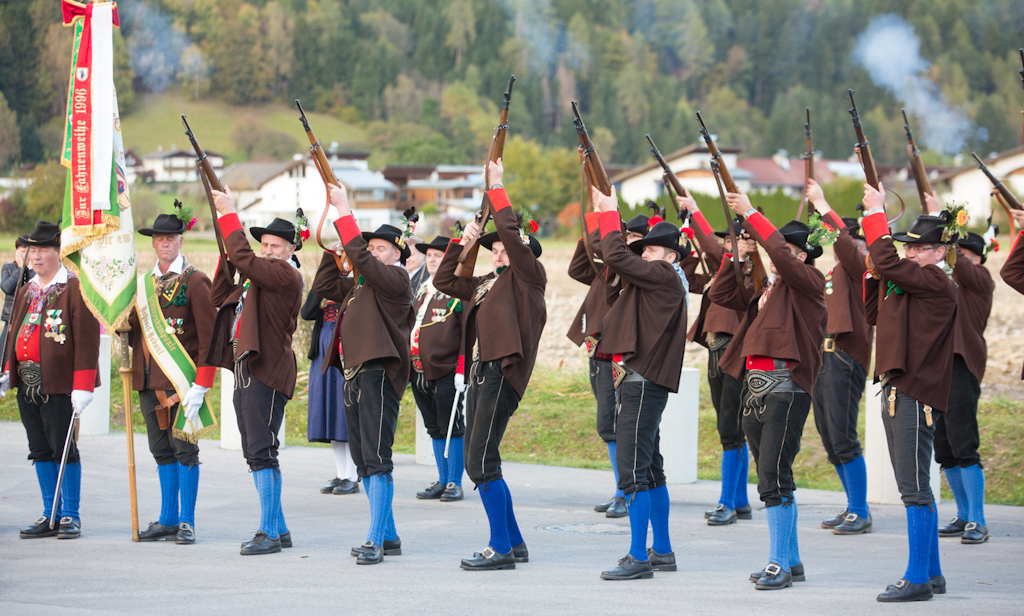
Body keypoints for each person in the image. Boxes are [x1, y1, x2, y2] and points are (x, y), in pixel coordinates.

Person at [708, 192, 828, 591]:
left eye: (789, 250)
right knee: (772, 475)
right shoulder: (767, 289)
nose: (778, 256)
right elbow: (720, 295)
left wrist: (751, 215)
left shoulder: (810, 282)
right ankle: (791, 560)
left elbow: (781, 256)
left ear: (804, 257)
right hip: (756, 387)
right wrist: (738, 255)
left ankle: (778, 562)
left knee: (774, 477)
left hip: (786, 388)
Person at [433, 158, 547, 571]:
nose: (499, 254)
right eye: (494, 250)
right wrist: (462, 242)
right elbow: (444, 281)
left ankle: (500, 547)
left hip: (501, 373)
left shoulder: (528, 278)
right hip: (481, 375)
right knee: (481, 459)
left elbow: (515, 241)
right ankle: (514, 543)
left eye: (504, 250)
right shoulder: (486, 284)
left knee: (479, 462)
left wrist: (497, 188)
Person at [588, 187, 692, 581]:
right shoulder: (656, 279)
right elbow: (608, 258)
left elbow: (617, 256)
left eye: (650, 249)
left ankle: (638, 556)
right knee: (650, 470)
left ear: (670, 256)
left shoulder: (664, 274)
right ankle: (661, 550)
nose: (643, 254)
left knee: (632, 471)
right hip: (640, 380)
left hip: (641, 381)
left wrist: (610, 214)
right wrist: (603, 215)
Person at [860, 183, 957, 602]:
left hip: (915, 391)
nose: (911, 253)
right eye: (909, 248)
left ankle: (917, 578)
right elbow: (873, 313)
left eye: (919, 248)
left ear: (940, 252)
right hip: (899, 388)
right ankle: (931, 573)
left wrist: (875, 215)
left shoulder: (935, 280)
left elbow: (889, 260)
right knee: (915, 485)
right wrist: (873, 272)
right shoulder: (912, 283)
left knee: (914, 487)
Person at [312, 183, 414, 565]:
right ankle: (387, 534)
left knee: (377, 458)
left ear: (397, 254)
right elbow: (323, 287)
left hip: (377, 374)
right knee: (363, 460)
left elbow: (367, 265)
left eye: (380, 248)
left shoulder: (396, 280)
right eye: (369, 247)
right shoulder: (361, 285)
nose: (372, 253)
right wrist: (335, 253)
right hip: (354, 375)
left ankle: (375, 538)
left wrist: (344, 210)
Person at [209, 189, 303, 556]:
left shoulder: (284, 274)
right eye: (264, 244)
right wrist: (227, 253)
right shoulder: (258, 277)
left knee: (262, 451)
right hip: (247, 367)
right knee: (255, 449)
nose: (268, 250)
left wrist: (228, 214)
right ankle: (278, 527)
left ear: (291, 250)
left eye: (275, 245)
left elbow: (246, 260)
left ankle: (269, 532)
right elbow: (220, 296)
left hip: (266, 369)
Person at [1, 221, 100, 540]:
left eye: (43, 250)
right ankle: (50, 512)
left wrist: (83, 384)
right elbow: (15, 331)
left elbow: (87, 341)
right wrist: (7, 368)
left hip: (59, 384)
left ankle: (70, 514)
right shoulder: (26, 290)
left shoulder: (74, 289)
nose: (36, 256)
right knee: (40, 449)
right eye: (32, 250)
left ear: (59, 252)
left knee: (63, 448)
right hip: (28, 383)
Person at [130, 210, 217, 545]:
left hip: (182, 385)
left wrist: (201, 383)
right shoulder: (143, 285)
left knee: (185, 450)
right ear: (153, 243)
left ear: (181, 241)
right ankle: (167, 519)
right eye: (159, 239)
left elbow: (209, 338)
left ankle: (186, 521)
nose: (164, 244)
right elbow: (136, 333)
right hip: (149, 380)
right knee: (160, 450)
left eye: (170, 238)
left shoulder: (196, 281)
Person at [804, 180, 874, 535]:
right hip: (824, 357)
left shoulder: (861, 268)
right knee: (831, 438)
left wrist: (821, 203)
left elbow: (844, 244)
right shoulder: (835, 271)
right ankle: (852, 505)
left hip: (844, 356)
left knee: (844, 436)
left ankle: (860, 510)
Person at [677, 201, 751, 526]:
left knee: (730, 430)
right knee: (731, 427)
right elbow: (695, 267)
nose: (725, 244)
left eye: (734, 240)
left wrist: (695, 211)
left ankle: (728, 503)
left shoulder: (750, 269)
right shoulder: (723, 267)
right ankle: (740, 501)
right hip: (715, 349)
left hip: (732, 350)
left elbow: (710, 244)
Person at [566, 211, 630, 519]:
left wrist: (601, 226)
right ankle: (621, 489)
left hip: (614, 357)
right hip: (597, 354)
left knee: (614, 425)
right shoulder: (605, 270)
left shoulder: (627, 270)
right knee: (608, 425)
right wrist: (589, 231)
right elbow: (577, 268)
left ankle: (625, 492)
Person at [933, 229, 994, 545]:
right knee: (944, 447)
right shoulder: (948, 280)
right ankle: (963, 514)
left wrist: (947, 239)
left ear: (977, 259)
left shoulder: (981, 279)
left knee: (964, 443)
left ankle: (978, 520)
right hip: (938, 367)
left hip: (961, 365)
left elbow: (963, 267)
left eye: (961, 254)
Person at [410, 235, 467, 503]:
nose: (432, 260)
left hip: (447, 370)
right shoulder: (423, 289)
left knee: (451, 426)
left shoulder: (458, 290)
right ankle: (442, 479)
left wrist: (462, 369)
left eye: (439, 256)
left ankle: (455, 481)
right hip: (419, 369)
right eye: (429, 256)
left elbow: (467, 333)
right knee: (433, 426)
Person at [301, 289, 359, 496]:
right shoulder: (324, 288)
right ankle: (341, 473)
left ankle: (352, 475)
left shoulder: (353, 286)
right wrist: (321, 286)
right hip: (323, 348)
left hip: (344, 347)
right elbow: (306, 312)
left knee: (344, 412)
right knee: (329, 412)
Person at [1, 236, 31, 354]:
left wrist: (30, 268)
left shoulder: (35, 271)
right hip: (10, 317)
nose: (26, 256)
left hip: (28, 318)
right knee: (4, 352)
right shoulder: (8, 268)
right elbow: (6, 288)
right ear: (16, 252)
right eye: (23, 252)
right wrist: (20, 268)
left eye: (29, 252)